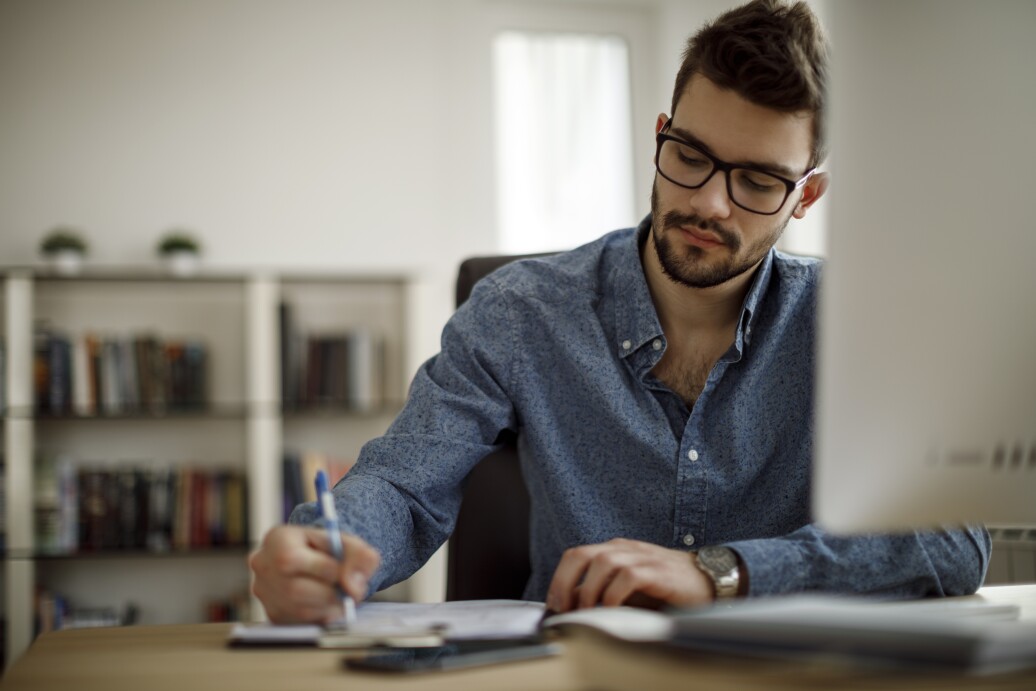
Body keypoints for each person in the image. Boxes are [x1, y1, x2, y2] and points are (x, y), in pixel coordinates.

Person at [249, 0, 989, 624]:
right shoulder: (519, 311)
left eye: (758, 181)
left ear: (807, 196)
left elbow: (954, 537)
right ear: (661, 132)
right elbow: (405, 486)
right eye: (690, 154)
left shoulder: (856, 321)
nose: (707, 201)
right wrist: (322, 546)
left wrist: (721, 572)